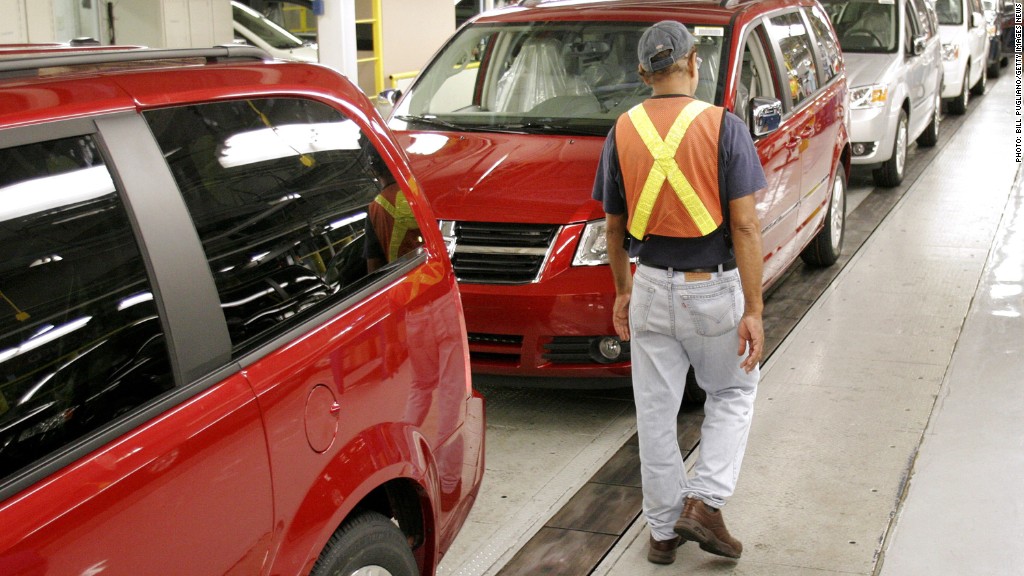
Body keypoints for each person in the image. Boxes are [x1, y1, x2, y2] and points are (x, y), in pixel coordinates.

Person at [591, 20, 766, 565]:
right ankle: (706, 504)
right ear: (694, 63)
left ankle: (663, 532)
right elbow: (744, 228)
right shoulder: (724, 127)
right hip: (710, 290)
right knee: (733, 393)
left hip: (647, 285)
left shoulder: (621, 130)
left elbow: (613, 228)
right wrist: (755, 310)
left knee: (655, 411)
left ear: (644, 73)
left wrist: (623, 291)